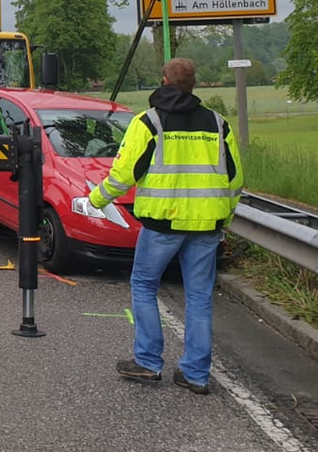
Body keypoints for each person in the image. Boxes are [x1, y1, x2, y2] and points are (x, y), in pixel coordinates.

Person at [87, 57, 243, 395]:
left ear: (163, 80)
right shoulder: (218, 124)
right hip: (206, 225)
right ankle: (196, 375)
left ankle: (148, 362)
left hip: (162, 224)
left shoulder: (149, 122)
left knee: (144, 285)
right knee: (199, 297)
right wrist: (225, 218)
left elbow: (124, 174)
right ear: (194, 84)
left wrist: (94, 201)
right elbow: (235, 179)